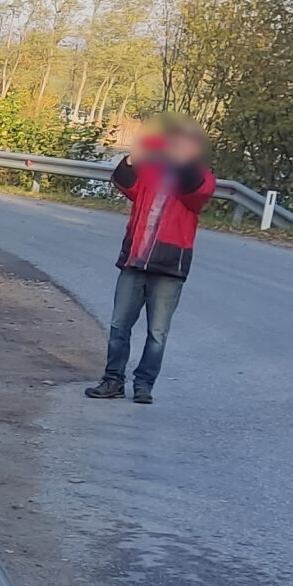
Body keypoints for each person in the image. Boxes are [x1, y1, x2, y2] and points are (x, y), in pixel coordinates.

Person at [85, 122, 213, 405]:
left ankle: (144, 385)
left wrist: (184, 163)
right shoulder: (151, 170)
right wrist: (132, 159)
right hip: (135, 261)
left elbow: (198, 193)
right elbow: (125, 184)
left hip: (169, 267)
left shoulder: (201, 176)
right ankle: (113, 380)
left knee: (157, 333)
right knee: (119, 325)